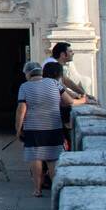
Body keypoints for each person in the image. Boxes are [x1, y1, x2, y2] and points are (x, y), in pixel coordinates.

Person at [15, 60, 65, 197]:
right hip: (55, 127)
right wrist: (82, 101)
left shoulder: (25, 87)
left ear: (28, 73)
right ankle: (56, 190)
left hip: (34, 128)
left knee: (36, 158)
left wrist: (18, 129)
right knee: (52, 159)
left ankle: (37, 189)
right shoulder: (54, 83)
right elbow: (67, 100)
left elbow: (21, 109)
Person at [44, 59, 87, 152]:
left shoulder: (37, 84)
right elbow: (69, 101)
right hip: (52, 122)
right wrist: (83, 100)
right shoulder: (55, 83)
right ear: (58, 75)